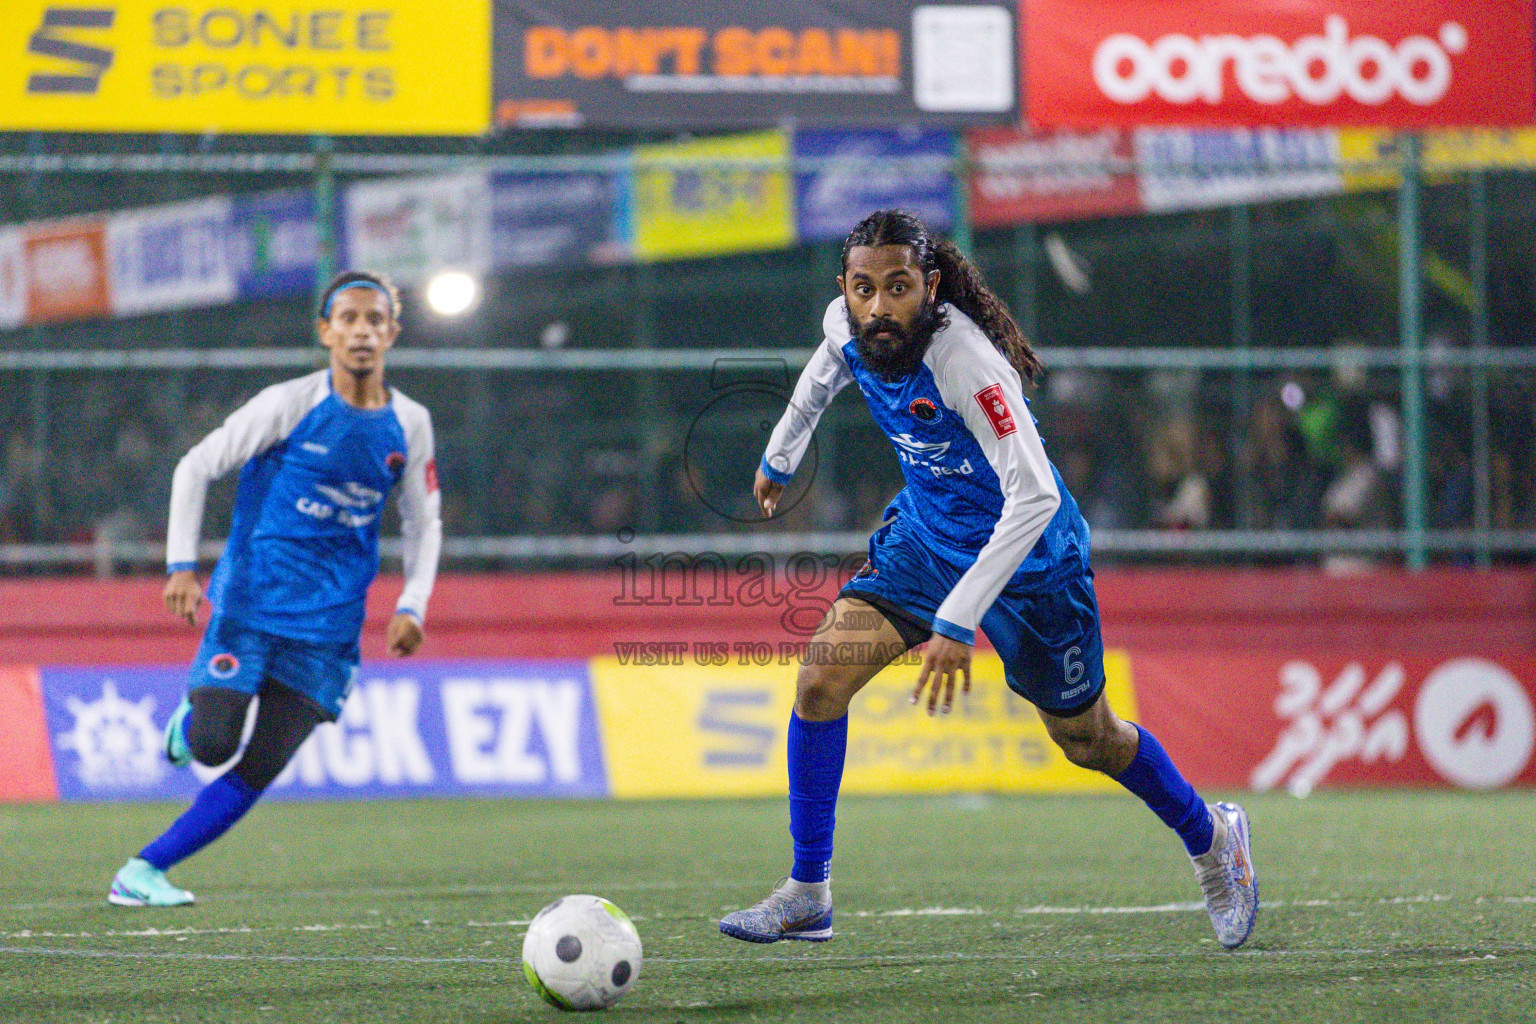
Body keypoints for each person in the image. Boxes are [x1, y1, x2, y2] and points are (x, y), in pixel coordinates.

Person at [718, 210, 1258, 949]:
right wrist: (780, 456)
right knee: (820, 681)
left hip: (1033, 565)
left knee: (1088, 738)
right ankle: (809, 891)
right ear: (845, 289)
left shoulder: (967, 363)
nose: (878, 307)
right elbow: (822, 372)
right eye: (863, 289)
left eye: (898, 288)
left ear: (930, 287)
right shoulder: (847, 325)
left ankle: (1212, 837)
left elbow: (1033, 497)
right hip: (927, 541)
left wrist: (955, 618)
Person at [108, 271, 443, 907]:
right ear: (326, 332)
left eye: (375, 321)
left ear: (392, 333)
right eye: (348, 319)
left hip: (328, 634)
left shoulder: (411, 423)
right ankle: (195, 717)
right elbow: (196, 466)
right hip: (251, 609)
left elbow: (423, 519)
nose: (362, 332)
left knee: (261, 765)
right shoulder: (288, 404)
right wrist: (181, 565)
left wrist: (411, 605)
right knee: (211, 744)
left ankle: (142, 871)